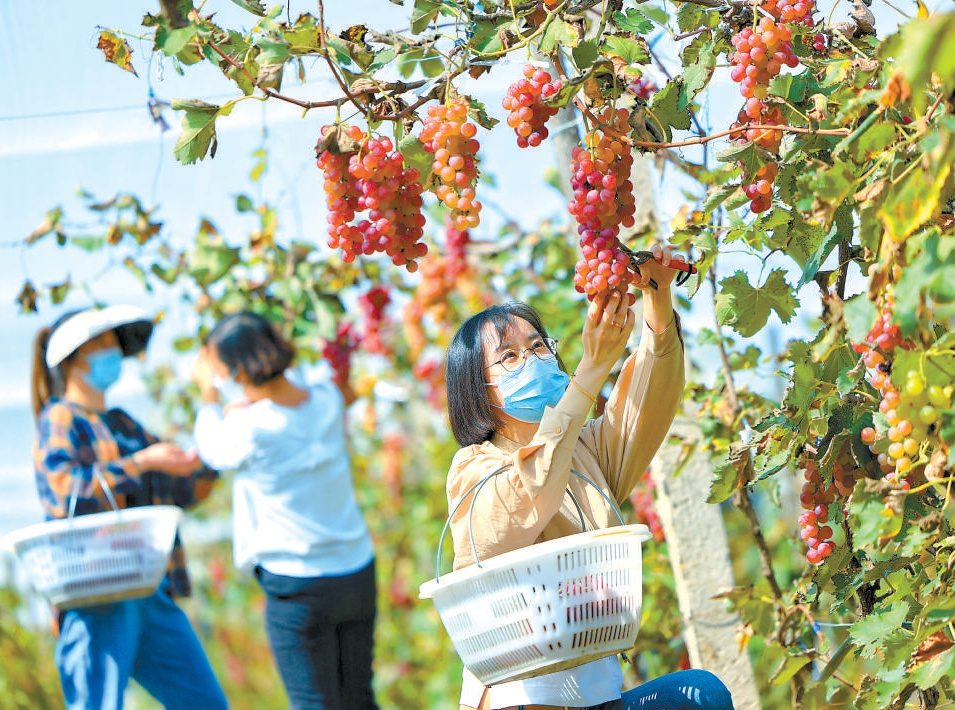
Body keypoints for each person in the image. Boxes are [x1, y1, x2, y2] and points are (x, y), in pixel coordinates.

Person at [444, 246, 734, 710]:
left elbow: (646, 403)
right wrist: (591, 369)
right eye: (511, 357)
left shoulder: (585, 452)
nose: (535, 359)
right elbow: (529, 492)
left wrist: (656, 300)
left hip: (599, 698)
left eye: (539, 346)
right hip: (524, 700)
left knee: (701, 697)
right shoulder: (474, 469)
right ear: (479, 392)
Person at [31, 305, 228, 710]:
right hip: (94, 595)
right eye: (101, 344)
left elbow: (184, 492)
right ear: (71, 359)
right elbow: (65, 492)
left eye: (113, 344)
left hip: (146, 586)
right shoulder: (60, 419)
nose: (112, 354)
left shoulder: (123, 424)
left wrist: (207, 453)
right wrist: (142, 462)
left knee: (205, 702)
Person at [190, 311, 379, 710]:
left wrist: (209, 400)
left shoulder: (249, 429)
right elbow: (295, 392)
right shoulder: (326, 398)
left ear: (235, 370)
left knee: (314, 703)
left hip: (297, 584)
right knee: (358, 698)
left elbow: (212, 450)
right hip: (356, 570)